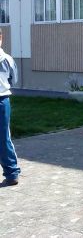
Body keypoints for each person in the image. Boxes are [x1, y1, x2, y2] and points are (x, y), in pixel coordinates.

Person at [0, 27, 20, 186]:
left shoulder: (6, 59)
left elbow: (13, 79)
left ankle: (12, 172)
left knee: (3, 137)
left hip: (2, 99)